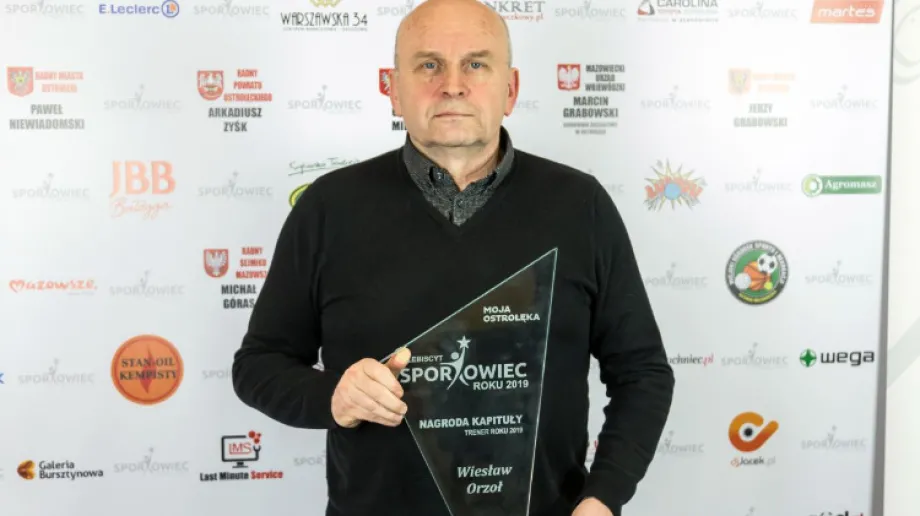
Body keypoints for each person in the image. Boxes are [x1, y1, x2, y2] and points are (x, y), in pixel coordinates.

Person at [231, 0, 675, 514]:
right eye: (429, 65)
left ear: (511, 90)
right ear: (392, 89)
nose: (453, 85)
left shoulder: (581, 205)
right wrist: (334, 396)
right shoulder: (329, 207)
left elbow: (642, 373)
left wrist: (604, 497)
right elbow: (258, 366)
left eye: (476, 64)